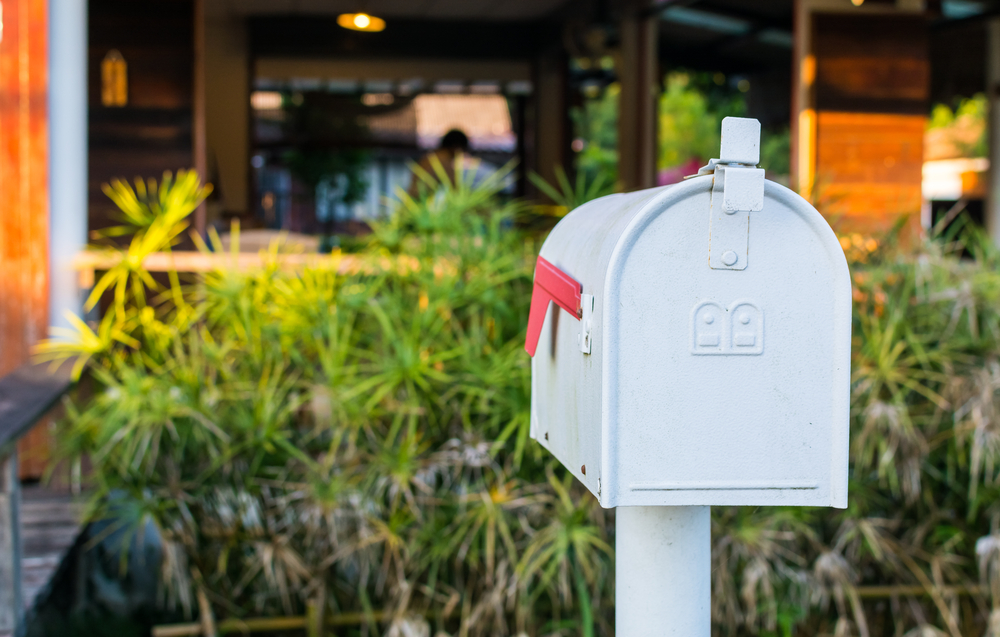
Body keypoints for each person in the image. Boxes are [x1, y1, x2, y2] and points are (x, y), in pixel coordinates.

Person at [409, 129, 503, 195]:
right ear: (457, 147)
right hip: (423, 204)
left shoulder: (430, 157)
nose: (461, 156)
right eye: (462, 151)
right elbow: (454, 188)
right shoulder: (444, 161)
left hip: (414, 202)